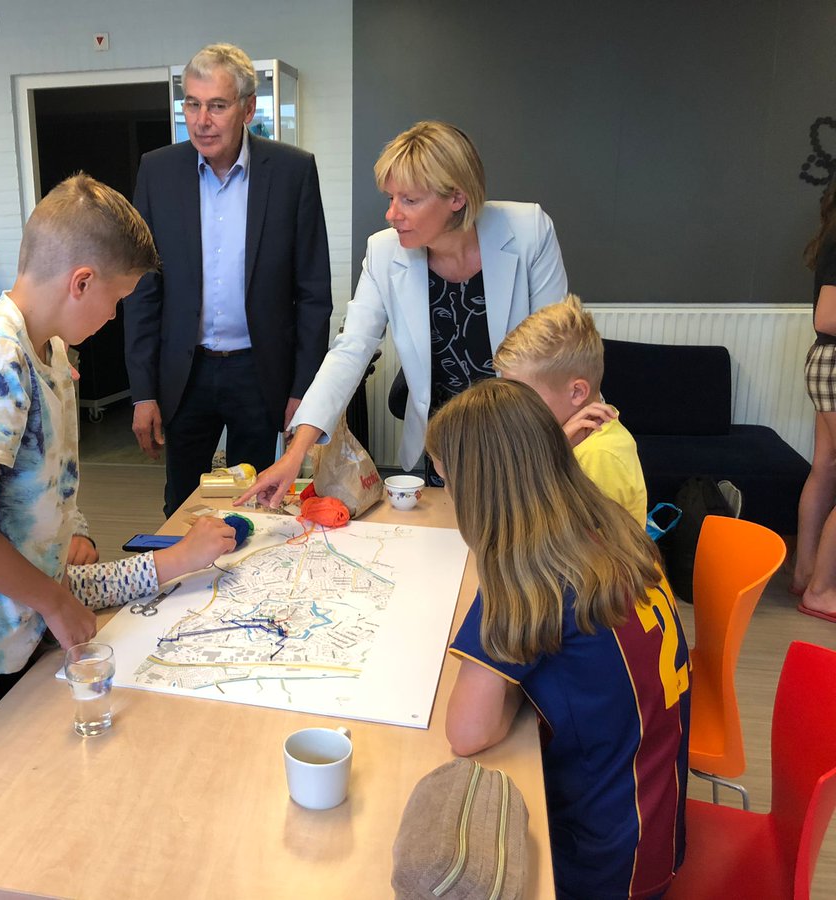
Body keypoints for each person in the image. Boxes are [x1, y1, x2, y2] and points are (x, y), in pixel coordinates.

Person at [0, 174, 237, 782]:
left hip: (6, 623)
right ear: (80, 281)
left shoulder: (52, 354)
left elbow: (41, 522)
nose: (115, 317)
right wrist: (57, 603)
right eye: (116, 301)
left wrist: (67, 588)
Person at [429, 378, 690, 900]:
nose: (448, 497)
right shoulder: (604, 522)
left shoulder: (529, 574)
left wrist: (508, 695)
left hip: (607, 867)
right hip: (657, 819)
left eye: (447, 481)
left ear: (479, 489)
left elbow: (466, 733)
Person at [239, 120, 568, 510]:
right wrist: (295, 455)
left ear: (457, 199)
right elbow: (350, 351)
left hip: (522, 441)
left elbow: (556, 350)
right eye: (390, 198)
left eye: (409, 200)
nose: (392, 214)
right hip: (443, 448)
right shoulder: (383, 252)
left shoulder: (529, 231)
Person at [123, 42, 332, 517]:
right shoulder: (158, 171)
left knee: (253, 507)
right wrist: (143, 391)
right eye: (192, 104)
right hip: (184, 373)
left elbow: (313, 294)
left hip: (260, 374)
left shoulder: (293, 172)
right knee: (181, 506)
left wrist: (303, 389)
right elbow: (142, 289)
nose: (202, 119)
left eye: (217, 105)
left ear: (248, 108)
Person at [493, 293, 648, 523]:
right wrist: (557, 446)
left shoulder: (597, 456)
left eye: (526, 394)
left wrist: (554, 455)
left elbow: (567, 546)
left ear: (577, 392)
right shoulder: (567, 435)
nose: (515, 405)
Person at [794, 178, 836, 622]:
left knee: (824, 468)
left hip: (826, 362)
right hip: (834, 359)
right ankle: (823, 591)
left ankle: (806, 573)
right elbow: (827, 315)